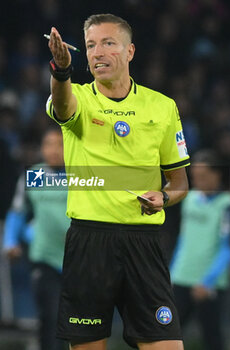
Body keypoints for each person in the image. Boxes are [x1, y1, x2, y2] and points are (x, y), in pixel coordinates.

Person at [46, 14, 190, 350]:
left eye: (109, 43)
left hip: (145, 243)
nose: (98, 52)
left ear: (130, 52)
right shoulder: (78, 96)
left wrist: (164, 198)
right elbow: (62, 106)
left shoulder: (162, 106)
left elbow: (180, 182)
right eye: (91, 45)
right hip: (90, 241)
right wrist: (62, 71)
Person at [3, 127, 70, 350]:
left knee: (73, 320)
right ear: (42, 148)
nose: (54, 150)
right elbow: (18, 212)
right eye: (49, 144)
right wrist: (11, 241)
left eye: (60, 144)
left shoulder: (81, 176)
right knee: (51, 316)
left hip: (77, 260)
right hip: (44, 257)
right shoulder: (34, 176)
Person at [170, 150, 230, 350]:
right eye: (195, 177)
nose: (198, 181)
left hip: (207, 283)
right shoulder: (189, 199)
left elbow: (228, 248)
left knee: (212, 337)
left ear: (217, 175)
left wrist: (207, 282)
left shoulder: (227, 205)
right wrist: (171, 272)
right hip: (181, 277)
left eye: (203, 177)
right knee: (169, 334)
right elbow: (184, 238)